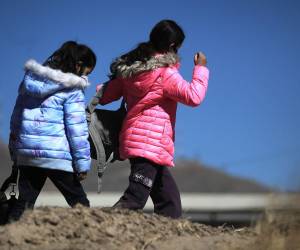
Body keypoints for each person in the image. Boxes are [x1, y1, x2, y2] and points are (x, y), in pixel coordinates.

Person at [96, 20, 209, 219]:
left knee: (170, 203)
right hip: (151, 144)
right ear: (173, 46)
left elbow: (105, 97)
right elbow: (194, 96)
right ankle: (102, 227)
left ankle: (168, 241)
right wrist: (200, 68)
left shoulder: (132, 70)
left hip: (137, 141)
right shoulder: (166, 74)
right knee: (134, 199)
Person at [8, 41, 96, 221]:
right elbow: (76, 129)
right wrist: (82, 164)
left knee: (23, 204)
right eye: (87, 73)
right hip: (57, 156)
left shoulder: (29, 82)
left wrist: (15, 150)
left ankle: (10, 238)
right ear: (78, 66)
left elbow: (16, 118)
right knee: (80, 203)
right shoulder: (72, 89)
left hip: (28, 155)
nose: (86, 78)